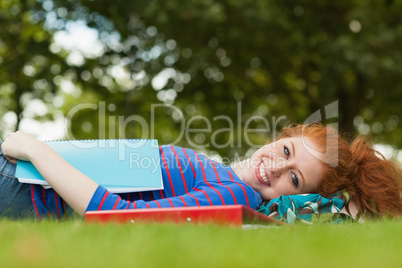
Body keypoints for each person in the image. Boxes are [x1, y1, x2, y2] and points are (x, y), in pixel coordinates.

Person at [0, 122, 401, 220]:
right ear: (282, 136)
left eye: (293, 178)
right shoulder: (222, 173)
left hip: (26, 188)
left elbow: (121, 218)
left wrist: (36, 150)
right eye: (285, 150)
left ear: (296, 196)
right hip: (26, 174)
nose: (274, 167)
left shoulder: (236, 196)